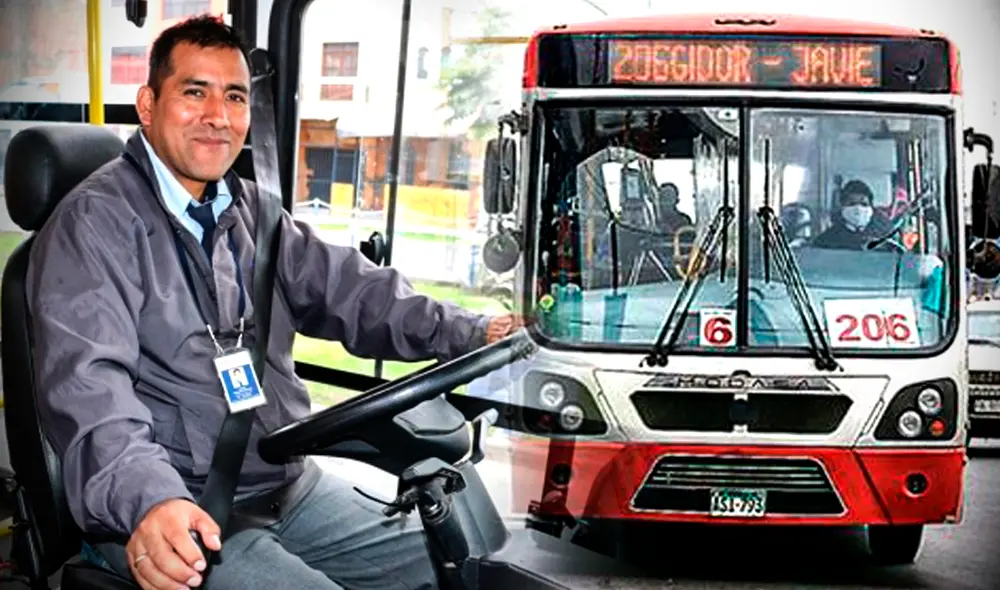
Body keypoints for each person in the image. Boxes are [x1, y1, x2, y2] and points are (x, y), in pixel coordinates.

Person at [26, 16, 518, 590]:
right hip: (179, 510)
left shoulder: (253, 213)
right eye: (194, 92)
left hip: (288, 488)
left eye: (233, 97)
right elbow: (91, 394)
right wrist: (150, 501)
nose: (218, 115)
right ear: (147, 104)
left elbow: (359, 293)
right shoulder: (93, 226)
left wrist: (476, 330)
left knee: (470, 561)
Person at [812, 179, 894, 251]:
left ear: (871, 207)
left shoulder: (885, 237)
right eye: (852, 203)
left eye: (864, 204)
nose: (858, 209)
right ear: (842, 206)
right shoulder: (826, 240)